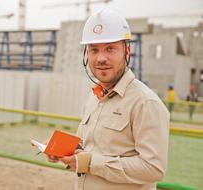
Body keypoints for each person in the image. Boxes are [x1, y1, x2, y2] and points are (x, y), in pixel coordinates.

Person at [48, 8, 170, 190]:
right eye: (94, 50)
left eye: (110, 49)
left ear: (127, 51)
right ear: (86, 55)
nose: (101, 58)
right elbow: (91, 148)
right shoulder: (94, 97)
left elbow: (153, 169)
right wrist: (66, 152)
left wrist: (90, 163)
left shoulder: (145, 103)